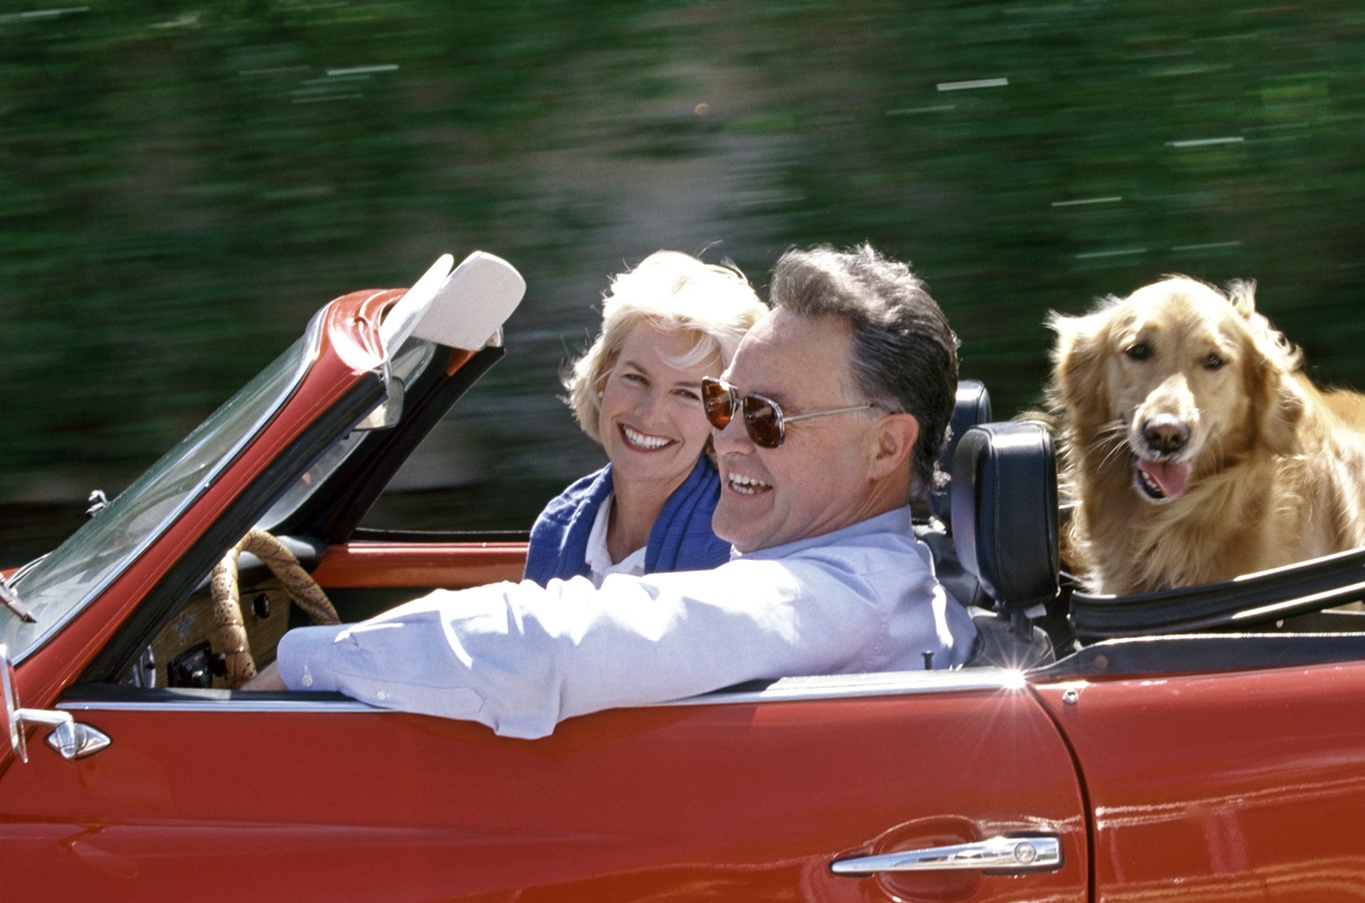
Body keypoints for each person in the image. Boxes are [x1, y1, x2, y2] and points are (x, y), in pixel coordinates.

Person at [244, 243, 978, 740]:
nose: (726, 438)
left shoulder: (837, 599)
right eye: (725, 402)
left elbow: (554, 644)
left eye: (766, 416)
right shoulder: (852, 574)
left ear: (887, 446)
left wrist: (307, 665)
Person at [524, 251, 766, 585]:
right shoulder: (555, 530)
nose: (650, 414)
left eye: (686, 394)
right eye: (636, 378)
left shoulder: (739, 550)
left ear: (721, 418)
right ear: (604, 376)